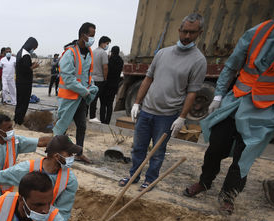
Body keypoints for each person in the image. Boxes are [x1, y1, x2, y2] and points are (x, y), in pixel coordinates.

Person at [184, 0, 274, 215]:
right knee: (216, 146)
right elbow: (232, 65)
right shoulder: (258, 32)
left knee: (244, 156)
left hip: (266, 110)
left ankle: (228, 197)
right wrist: (219, 96)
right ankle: (205, 182)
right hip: (236, 101)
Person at [121, 13, 206, 191]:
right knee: (138, 147)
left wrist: (182, 117)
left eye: (192, 32)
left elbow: (192, 93)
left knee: (157, 152)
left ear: (199, 32)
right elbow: (148, 79)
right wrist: (137, 103)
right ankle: (133, 176)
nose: (187, 36)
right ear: (179, 30)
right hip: (147, 110)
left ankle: (150, 180)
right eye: (184, 31)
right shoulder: (162, 53)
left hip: (167, 115)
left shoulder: (198, 60)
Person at [53, 23, 98, 157]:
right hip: (69, 97)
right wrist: (84, 90)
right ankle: (56, 151)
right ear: (83, 35)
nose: (92, 39)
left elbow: (88, 75)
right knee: (62, 127)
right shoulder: (70, 53)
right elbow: (68, 78)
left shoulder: (89, 53)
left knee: (82, 126)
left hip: (81, 97)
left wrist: (92, 87)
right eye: (91, 36)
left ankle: (79, 152)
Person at [14, 37, 39, 125]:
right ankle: (19, 121)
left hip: (20, 81)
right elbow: (25, 70)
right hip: (25, 83)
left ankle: (17, 119)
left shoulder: (20, 52)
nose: (33, 50)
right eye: (34, 48)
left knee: (19, 102)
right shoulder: (26, 55)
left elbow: (23, 66)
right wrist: (33, 67)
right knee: (24, 103)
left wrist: (31, 65)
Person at [98, 45, 123, 124]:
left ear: (112, 52)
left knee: (103, 104)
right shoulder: (121, 61)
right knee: (110, 104)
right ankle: (107, 121)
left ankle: (102, 119)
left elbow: (105, 70)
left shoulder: (109, 60)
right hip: (114, 85)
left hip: (106, 84)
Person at [88, 36, 111, 123]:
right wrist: (105, 78)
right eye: (107, 44)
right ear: (103, 43)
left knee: (93, 99)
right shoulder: (103, 53)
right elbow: (105, 67)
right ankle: (98, 118)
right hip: (100, 79)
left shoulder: (93, 52)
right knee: (102, 100)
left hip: (92, 78)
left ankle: (92, 116)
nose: (107, 45)